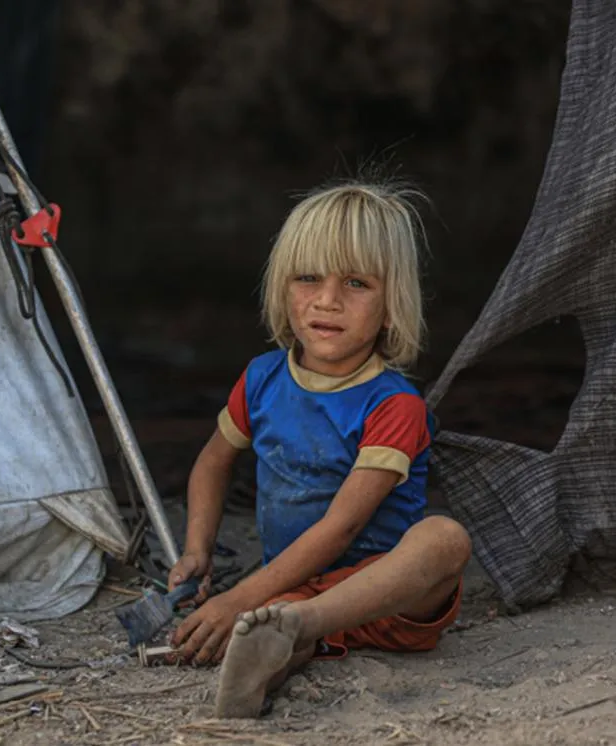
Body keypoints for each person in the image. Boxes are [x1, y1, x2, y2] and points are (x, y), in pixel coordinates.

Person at [165, 180, 472, 718]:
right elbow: (213, 461)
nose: (327, 300)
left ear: (391, 303)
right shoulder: (262, 379)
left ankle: (301, 628)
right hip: (290, 588)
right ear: (283, 287)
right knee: (276, 619)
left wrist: (237, 599)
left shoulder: (393, 405)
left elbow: (342, 528)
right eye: (308, 277)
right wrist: (198, 549)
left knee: (443, 540)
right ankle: (281, 648)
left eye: (356, 283)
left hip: (382, 595)